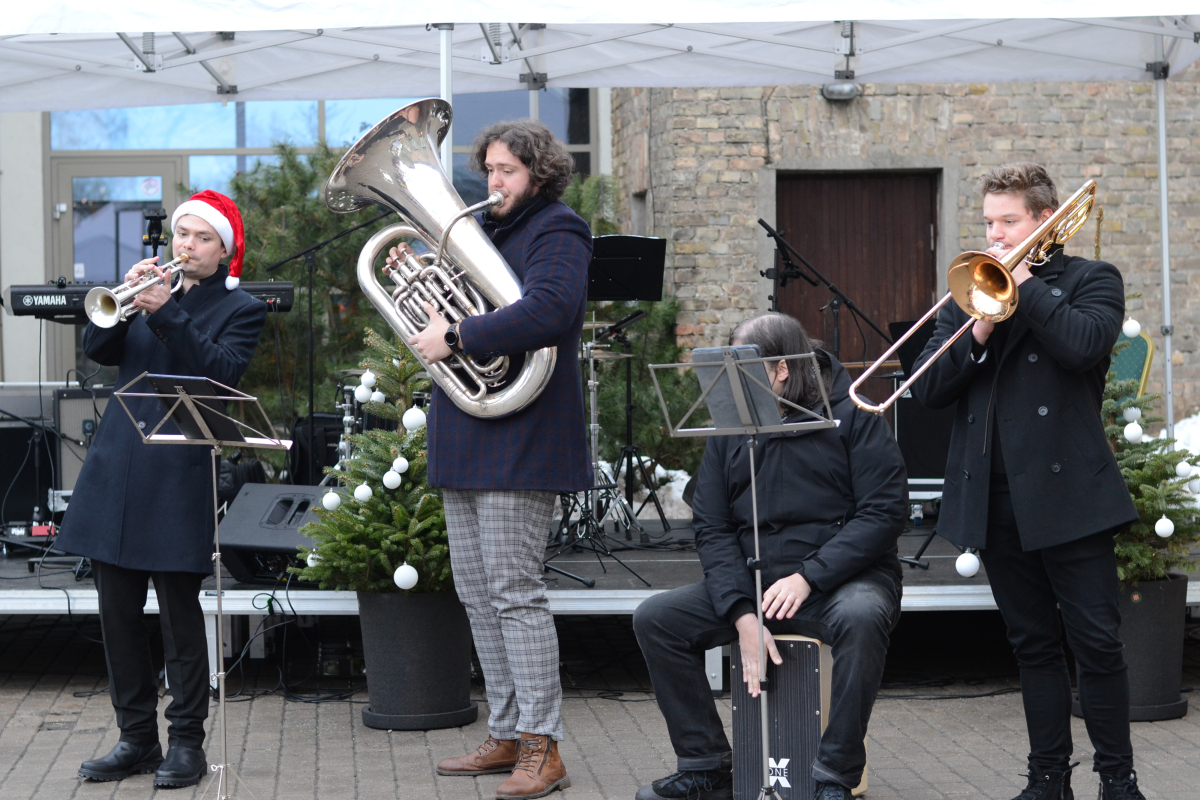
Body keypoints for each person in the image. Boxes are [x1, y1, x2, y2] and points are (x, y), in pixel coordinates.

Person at [912, 162, 1143, 800]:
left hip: (1071, 499)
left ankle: (1117, 781)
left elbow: (1084, 344)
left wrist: (1023, 285)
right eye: (988, 223)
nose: (994, 236)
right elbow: (927, 387)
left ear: (1045, 220)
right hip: (997, 499)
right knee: (1033, 647)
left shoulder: (1092, 280)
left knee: (1097, 644)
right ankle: (1048, 782)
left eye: (1007, 222)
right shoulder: (970, 295)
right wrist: (980, 323)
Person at [632, 312, 907, 800]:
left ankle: (835, 775)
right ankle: (707, 766)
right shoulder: (733, 426)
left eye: (741, 367)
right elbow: (712, 526)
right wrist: (740, 612)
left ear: (782, 369)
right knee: (657, 618)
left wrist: (810, 577)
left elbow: (884, 514)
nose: (730, 382)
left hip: (841, 579)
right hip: (757, 581)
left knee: (863, 616)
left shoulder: (857, 413)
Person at [402, 119, 591, 800]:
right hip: (469, 431)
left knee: (514, 592)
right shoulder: (481, 235)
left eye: (506, 170)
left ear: (538, 172)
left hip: (524, 434)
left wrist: (453, 331)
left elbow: (551, 307)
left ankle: (545, 744)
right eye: (487, 171)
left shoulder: (557, 228)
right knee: (477, 593)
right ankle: (508, 731)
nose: (492, 183)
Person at [56, 191, 267, 788]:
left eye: (202, 239)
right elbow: (98, 353)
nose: (187, 247)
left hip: (177, 471)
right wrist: (122, 307)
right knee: (117, 617)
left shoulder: (240, 307)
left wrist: (165, 311)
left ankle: (186, 743)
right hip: (118, 468)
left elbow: (221, 373)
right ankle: (135, 739)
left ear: (224, 249)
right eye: (182, 236)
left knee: (178, 618)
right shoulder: (147, 294)